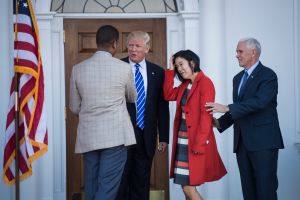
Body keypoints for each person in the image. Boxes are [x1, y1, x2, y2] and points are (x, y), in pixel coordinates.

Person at [205, 38, 284, 200]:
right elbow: (241, 107)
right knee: (248, 191)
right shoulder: (238, 78)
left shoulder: (268, 75)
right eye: (237, 51)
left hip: (264, 142)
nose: (236, 55)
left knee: (265, 190)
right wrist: (220, 122)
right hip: (242, 143)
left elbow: (259, 103)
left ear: (253, 53)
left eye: (240, 51)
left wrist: (227, 107)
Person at [69, 25, 137, 200]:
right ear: (114, 43)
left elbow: (74, 107)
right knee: (107, 188)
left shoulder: (78, 69)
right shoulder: (124, 68)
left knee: (91, 185)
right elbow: (132, 97)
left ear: (96, 42)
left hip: (89, 136)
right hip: (115, 136)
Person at [164, 50, 227, 200]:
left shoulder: (205, 83)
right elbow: (167, 94)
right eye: (177, 66)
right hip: (182, 139)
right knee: (185, 186)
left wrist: (199, 144)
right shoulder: (185, 85)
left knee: (188, 188)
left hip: (194, 142)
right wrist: (170, 71)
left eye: (181, 64)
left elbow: (206, 116)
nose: (179, 68)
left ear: (192, 63)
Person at [117, 31, 170, 200]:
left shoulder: (158, 72)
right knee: (120, 183)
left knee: (142, 183)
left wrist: (164, 137)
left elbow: (162, 106)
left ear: (147, 48)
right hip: (121, 135)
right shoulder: (117, 67)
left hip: (146, 135)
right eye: (130, 45)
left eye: (138, 46)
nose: (133, 49)